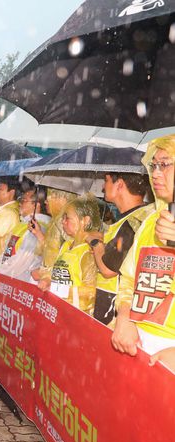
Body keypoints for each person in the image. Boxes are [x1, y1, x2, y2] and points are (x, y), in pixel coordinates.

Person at [113, 135, 175, 370]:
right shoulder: (150, 221)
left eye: (165, 164)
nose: (156, 173)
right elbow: (129, 279)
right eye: (154, 165)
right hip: (138, 345)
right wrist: (124, 317)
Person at [86, 173, 153, 326]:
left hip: (115, 314)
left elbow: (108, 270)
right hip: (108, 309)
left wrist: (96, 243)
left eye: (106, 180)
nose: (103, 186)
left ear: (120, 184)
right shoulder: (127, 220)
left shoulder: (135, 221)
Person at [42, 197, 101, 315]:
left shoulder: (89, 251)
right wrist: (47, 279)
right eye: (63, 218)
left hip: (76, 315)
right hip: (58, 310)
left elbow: (91, 292)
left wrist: (57, 289)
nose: (63, 222)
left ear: (85, 220)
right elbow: (55, 271)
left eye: (67, 218)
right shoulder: (67, 245)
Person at [0, 187, 51, 282]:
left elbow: (22, 261)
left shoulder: (38, 226)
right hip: (9, 276)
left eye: (24, 200)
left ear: (36, 205)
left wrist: (1, 271)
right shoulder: (25, 223)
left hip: (19, 280)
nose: (20, 203)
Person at [31, 188, 77, 285]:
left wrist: (46, 275)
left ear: (62, 199)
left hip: (57, 284)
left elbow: (69, 258)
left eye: (51, 197)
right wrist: (38, 233)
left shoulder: (67, 223)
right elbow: (51, 250)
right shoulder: (55, 221)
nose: (46, 201)